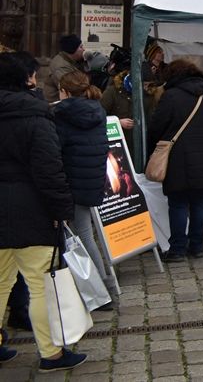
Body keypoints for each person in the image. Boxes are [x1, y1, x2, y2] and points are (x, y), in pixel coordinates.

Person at [0, 53, 88, 372]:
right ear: (28, 79)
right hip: (31, 209)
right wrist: (61, 210)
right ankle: (50, 353)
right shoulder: (35, 115)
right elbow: (49, 170)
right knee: (40, 284)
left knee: (0, 283)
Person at [148, 60, 203, 261]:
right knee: (200, 203)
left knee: (178, 203)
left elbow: (157, 126)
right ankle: (197, 246)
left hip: (179, 157)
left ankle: (178, 249)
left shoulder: (171, 96)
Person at [53, 71, 116, 300]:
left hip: (70, 181)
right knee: (85, 232)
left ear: (66, 92)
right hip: (91, 181)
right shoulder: (98, 111)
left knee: (79, 234)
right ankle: (100, 284)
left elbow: (56, 149)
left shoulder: (61, 114)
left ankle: (96, 287)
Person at [43, 33, 86, 102]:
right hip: (57, 103)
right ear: (72, 49)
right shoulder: (61, 66)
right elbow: (72, 88)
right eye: (80, 47)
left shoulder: (73, 61)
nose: (84, 49)